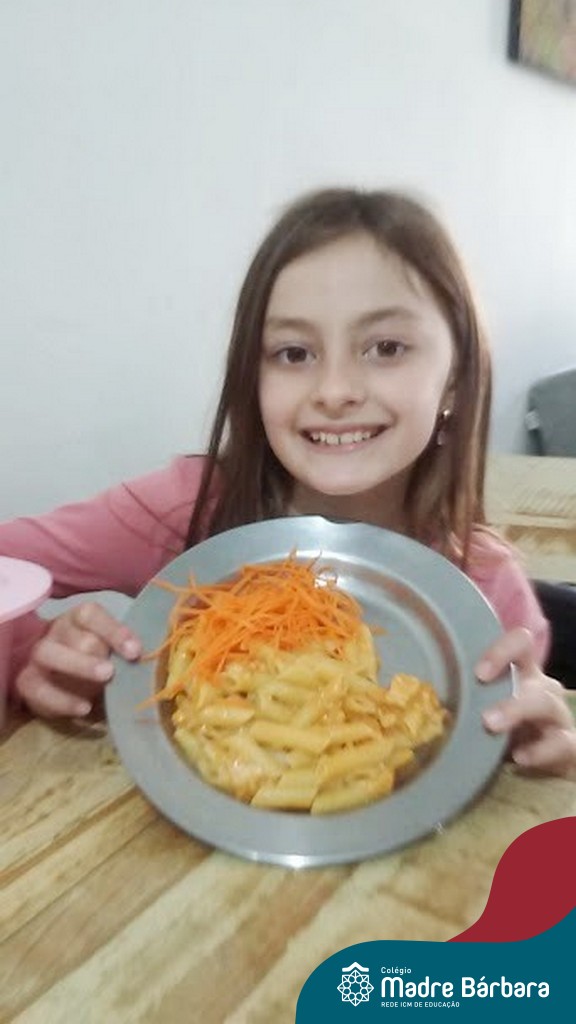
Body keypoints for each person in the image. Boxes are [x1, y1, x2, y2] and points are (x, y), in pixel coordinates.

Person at [1, 187, 575, 775]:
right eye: (294, 353)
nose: (334, 391)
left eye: (386, 348)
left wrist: (542, 752)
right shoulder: (186, 506)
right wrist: (28, 654)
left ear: (454, 377)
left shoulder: (487, 589)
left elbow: (519, 745)